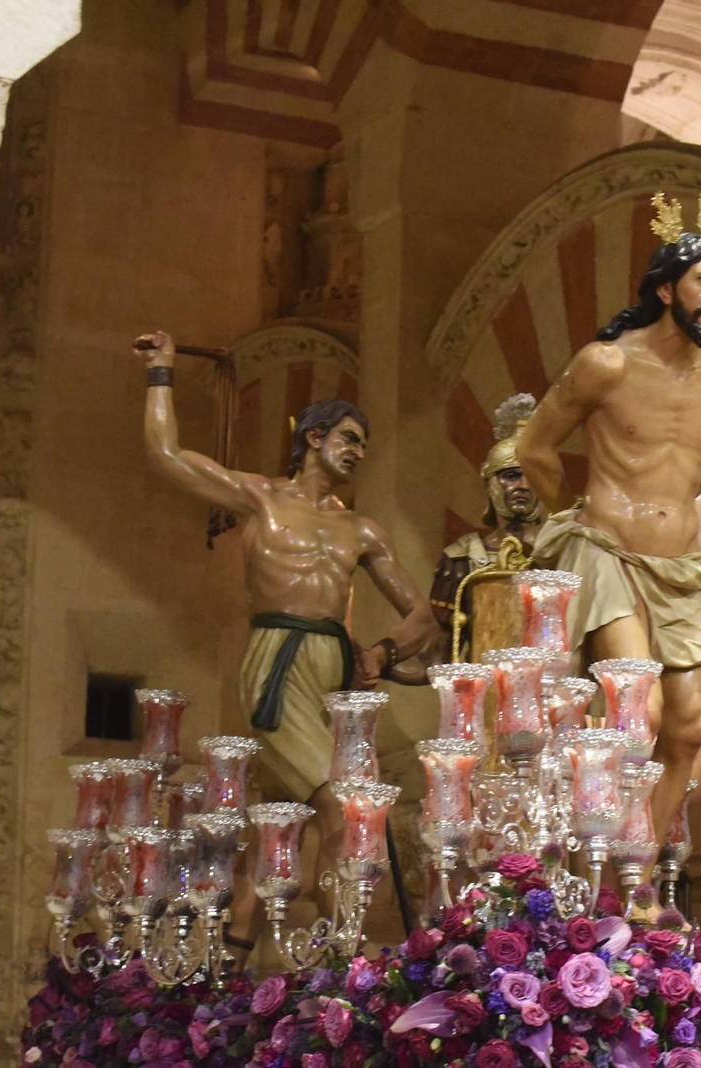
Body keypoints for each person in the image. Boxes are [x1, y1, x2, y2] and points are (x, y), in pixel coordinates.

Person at [135, 331, 435, 917]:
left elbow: (421, 615)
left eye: (365, 444)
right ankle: (336, 965)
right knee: (341, 812)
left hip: (332, 673)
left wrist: (379, 653)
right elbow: (165, 456)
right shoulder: (263, 498)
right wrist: (160, 372)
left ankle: (235, 968)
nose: (359, 452)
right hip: (276, 659)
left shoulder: (363, 530)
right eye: (350, 438)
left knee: (283, 822)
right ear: (313, 437)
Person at [517, 170, 701, 833]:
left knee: (689, 727)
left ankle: (637, 874)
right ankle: (598, 859)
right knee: (639, 713)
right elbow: (536, 449)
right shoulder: (607, 364)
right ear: (667, 289)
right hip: (607, 552)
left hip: (678, 564)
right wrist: (573, 516)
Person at [428, 393, 546, 652]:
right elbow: (443, 653)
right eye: (512, 476)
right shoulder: (460, 559)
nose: (524, 486)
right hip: (486, 687)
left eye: (532, 476)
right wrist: (383, 658)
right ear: (491, 481)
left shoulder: (563, 552)